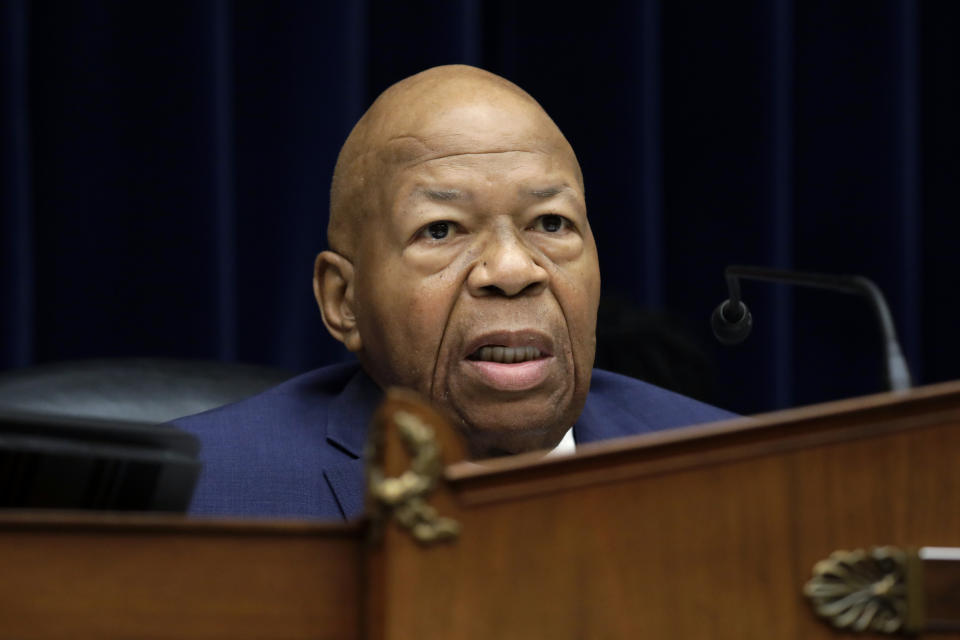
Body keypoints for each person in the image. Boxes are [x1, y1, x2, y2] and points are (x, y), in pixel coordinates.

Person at [173, 65, 735, 520]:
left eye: (550, 223)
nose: (513, 270)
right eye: (440, 230)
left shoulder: (737, 475)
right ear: (343, 300)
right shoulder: (190, 500)